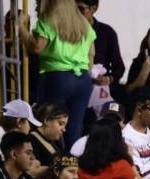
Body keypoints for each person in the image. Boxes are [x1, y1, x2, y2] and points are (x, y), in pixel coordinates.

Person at [17, 0, 94, 148]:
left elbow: (36, 47)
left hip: (57, 77)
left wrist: (21, 26)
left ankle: (54, 161)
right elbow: (91, 53)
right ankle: (72, 162)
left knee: (50, 124)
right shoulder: (84, 24)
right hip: (82, 79)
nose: (37, 6)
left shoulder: (48, 20)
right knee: (75, 126)